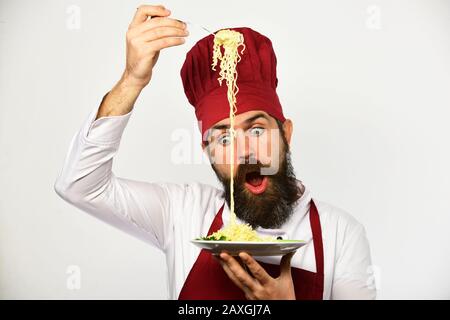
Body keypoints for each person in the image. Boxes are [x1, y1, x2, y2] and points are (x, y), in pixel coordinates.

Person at [54, 4, 376, 300]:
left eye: (257, 130)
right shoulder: (181, 213)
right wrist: (132, 80)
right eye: (223, 140)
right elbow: (79, 185)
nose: (244, 152)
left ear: (286, 134)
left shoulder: (340, 234)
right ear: (206, 150)